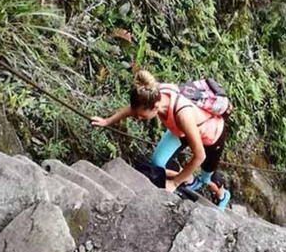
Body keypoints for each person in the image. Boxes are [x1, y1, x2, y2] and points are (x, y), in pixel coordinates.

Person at [91, 70, 231, 210]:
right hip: (181, 131)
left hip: (211, 136)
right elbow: (133, 109)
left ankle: (222, 195)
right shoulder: (150, 93)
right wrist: (106, 121)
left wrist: (174, 183)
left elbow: (200, 156)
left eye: (142, 117)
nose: (138, 118)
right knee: (158, 162)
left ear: (155, 107)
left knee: (207, 178)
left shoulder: (183, 114)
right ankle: (189, 180)